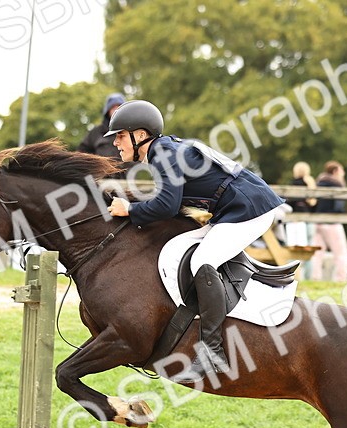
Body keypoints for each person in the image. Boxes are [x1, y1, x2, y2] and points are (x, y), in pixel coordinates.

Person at [105, 100, 284, 383]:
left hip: (250, 208)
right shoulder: (162, 151)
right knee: (181, 246)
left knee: (202, 259)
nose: (115, 143)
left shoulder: (163, 154)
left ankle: (213, 352)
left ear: (140, 136)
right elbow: (170, 205)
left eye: (120, 136)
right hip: (234, 207)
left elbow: (166, 206)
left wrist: (129, 210)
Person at [310, 161, 347, 282]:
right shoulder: (336, 184)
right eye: (341, 170)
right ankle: (341, 278)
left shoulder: (319, 183)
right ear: (335, 171)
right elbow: (338, 206)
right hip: (332, 222)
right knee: (341, 253)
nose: (343, 173)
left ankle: (315, 277)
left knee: (317, 254)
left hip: (318, 221)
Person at [77, 92, 126, 159]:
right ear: (108, 111)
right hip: (104, 168)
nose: (116, 110)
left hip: (132, 169)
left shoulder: (133, 130)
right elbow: (82, 153)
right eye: (113, 107)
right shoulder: (95, 132)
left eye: (119, 107)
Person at [283, 161, 317, 255]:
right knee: (309, 251)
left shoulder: (294, 184)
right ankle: (308, 270)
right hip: (310, 220)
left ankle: (294, 270)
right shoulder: (311, 183)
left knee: (292, 251)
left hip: (296, 221)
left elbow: (291, 203)